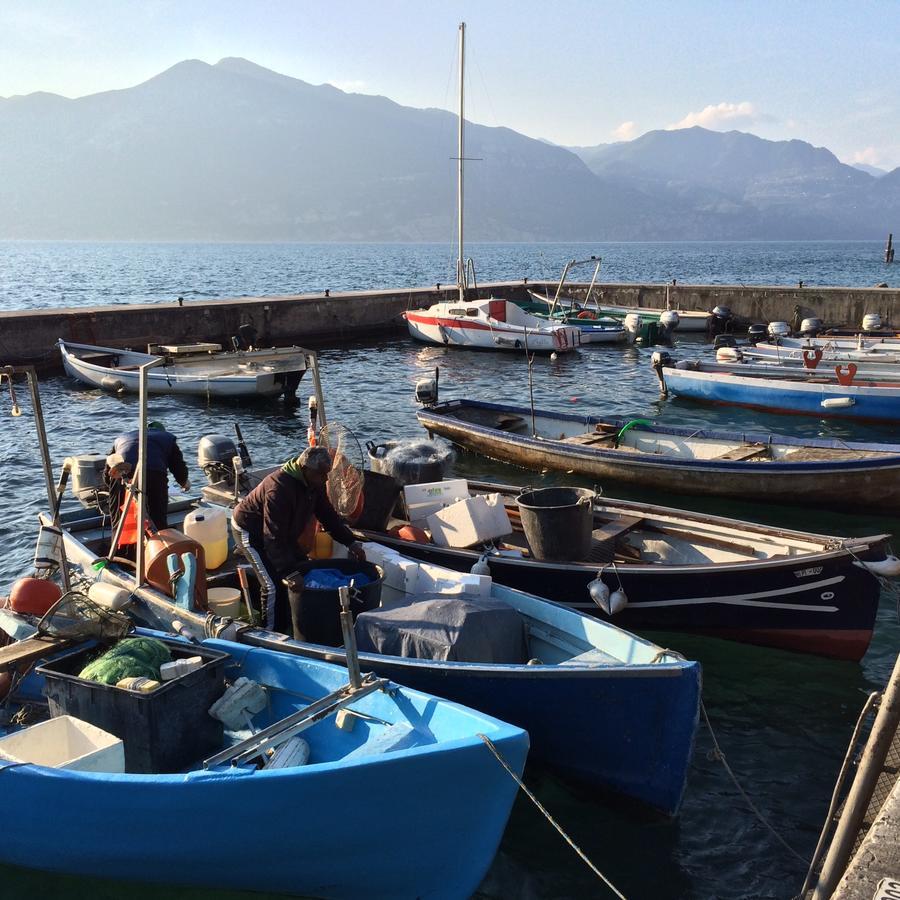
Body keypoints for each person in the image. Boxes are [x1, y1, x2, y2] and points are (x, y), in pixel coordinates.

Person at [231, 445, 366, 634]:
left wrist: (350, 542)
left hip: (282, 532)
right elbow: (272, 536)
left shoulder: (314, 484)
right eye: (321, 474)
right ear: (305, 469)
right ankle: (270, 633)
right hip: (250, 530)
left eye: (327, 473)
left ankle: (291, 619)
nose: (325, 479)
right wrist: (288, 572)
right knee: (273, 584)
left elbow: (328, 517)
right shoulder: (278, 489)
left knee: (303, 569)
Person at [105, 421, 190, 535]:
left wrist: (112, 488)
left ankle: (121, 552)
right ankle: (158, 549)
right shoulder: (167, 438)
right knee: (157, 518)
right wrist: (184, 482)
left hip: (120, 474)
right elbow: (178, 466)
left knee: (120, 520)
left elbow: (107, 471)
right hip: (153, 474)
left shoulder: (123, 438)